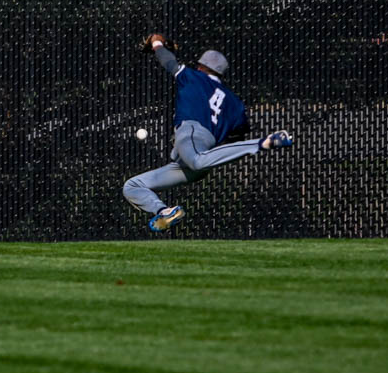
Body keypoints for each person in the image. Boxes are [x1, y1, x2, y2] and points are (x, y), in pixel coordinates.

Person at [123, 34, 293, 233]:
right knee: (132, 185)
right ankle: (164, 211)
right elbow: (236, 134)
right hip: (195, 155)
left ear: (202, 67)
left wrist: (156, 43)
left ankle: (263, 143)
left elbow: (168, 61)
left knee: (197, 160)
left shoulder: (194, 77)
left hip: (191, 135)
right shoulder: (235, 103)